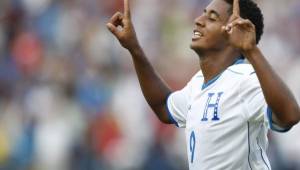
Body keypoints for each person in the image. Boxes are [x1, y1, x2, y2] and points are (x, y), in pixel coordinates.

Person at [106, 0, 300, 169]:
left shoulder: (245, 80)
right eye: (204, 13)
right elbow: (164, 108)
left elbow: (290, 115)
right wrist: (134, 49)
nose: (199, 20)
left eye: (212, 18)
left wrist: (251, 51)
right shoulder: (198, 83)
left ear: (235, 32)